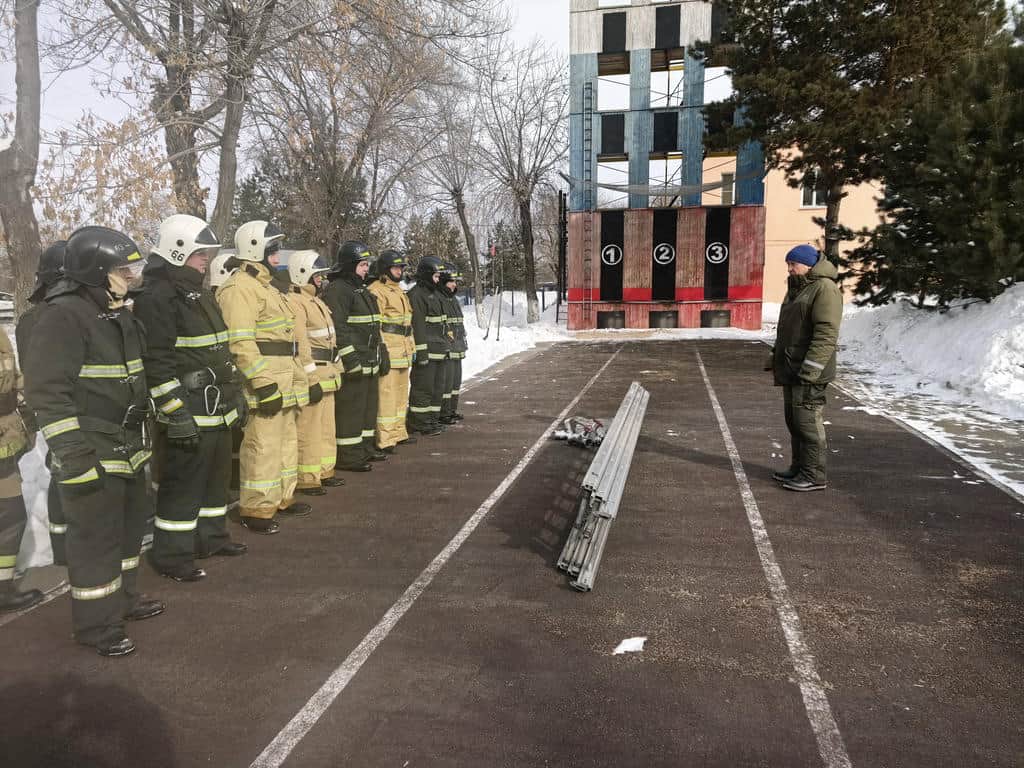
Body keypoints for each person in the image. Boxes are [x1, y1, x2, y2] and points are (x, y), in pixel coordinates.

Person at [25, 225, 164, 656]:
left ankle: (123, 601)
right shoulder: (62, 316)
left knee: (126, 534)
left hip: (127, 445)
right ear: (96, 271)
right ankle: (96, 626)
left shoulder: (116, 311)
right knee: (95, 542)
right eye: (123, 270)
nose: (132, 276)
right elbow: (48, 393)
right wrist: (75, 456)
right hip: (92, 448)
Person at [133, 215, 249, 583]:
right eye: (200, 253)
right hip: (188, 407)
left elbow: (219, 350)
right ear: (177, 250)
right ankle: (171, 554)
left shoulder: (198, 293)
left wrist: (235, 396)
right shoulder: (158, 297)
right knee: (183, 485)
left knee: (216, 479)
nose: (206, 260)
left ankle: (211, 538)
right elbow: (157, 362)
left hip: (217, 405)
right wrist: (175, 412)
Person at [216, 221, 309, 534]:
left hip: (284, 376)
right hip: (265, 379)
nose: (277, 255)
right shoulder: (239, 288)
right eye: (271, 249)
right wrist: (262, 382)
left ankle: (282, 497)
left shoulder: (268, 287)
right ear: (254, 248)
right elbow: (240, 342)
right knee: (262, 445)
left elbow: (286, 338)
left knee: (284, 442)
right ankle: (256, 507)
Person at [770, 244, 843, 492]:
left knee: (808, 423)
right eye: (788, 265)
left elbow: (826, 333)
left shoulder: (824, 289)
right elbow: (787, 330)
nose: (790, 269)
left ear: (809, 265)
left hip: (809, 372)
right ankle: (799, 468)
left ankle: (814, 475)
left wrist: (811, 369)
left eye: (794, 264)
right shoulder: (798, 288)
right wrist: (776, 355)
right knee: (794, 421)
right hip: (792, 368)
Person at [15, 241, 68, 566]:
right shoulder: (45, 319)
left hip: (53, 405)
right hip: (63, 407)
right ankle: (65, 545)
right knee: (66, 469)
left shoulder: (32, 318)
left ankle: (62, 544)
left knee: (63, 468)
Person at [284, 250, 346, 495]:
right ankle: (308, 477)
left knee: (326, 428)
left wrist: (338, 369)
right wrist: (310, 379)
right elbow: (302, 345)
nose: (321, 280)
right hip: (314, 375)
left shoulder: (316, 301)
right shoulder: (296, 303)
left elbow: (330, 341)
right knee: (309, 429)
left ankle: (324, 470)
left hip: (328, 374)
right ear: (303, 274)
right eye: (316, 275)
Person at [323, 241, 385, 472]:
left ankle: (365, 448)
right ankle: (349, 455)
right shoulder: (338, 290)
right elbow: (338, 328)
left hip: (369, 359)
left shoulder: (360, 289)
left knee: (367, 409)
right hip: (355, 361)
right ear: (350, 265)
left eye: (367, 264)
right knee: (351, 411)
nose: (366, 269)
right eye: (362, 264)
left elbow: (372, 325)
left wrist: (382, 352)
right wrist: (350, 360)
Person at [0, 315, 42, 612]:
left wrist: (36, 387)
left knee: (12, 515)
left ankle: (2, 589)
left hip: (5, 441)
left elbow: (10, 377)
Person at [368, 250, 417, 454]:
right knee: (386, 396)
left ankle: (398, 432)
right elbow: (376, 324)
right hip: (389, 350)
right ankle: (385, 438)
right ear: (385, 270)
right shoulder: (376, 291)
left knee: (400, 395)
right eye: (396, 268)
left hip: (403, 351)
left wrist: (412, 347)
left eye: (401, 268)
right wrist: (381, 350)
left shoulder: (399, 291)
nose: (399, 271)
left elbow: (407, 324)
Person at [406, 256, 449, 436]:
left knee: (436, 388)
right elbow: (418, 326)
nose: (438, 280)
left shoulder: (435, 295)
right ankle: (419, 422)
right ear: (426, 275)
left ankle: (431, 418)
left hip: (439, 351)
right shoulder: (416, 295)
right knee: (423, 388)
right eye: (436, 276)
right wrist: (421, 353)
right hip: (427, 353)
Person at [438, 263, 467, 424]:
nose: (454, 284)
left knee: (456, 382)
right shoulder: (440, 299)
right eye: (451, 281)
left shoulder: (453, 299)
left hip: (458, 346)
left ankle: (452, 410)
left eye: (455, 281)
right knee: (446, 383)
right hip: (448, 348)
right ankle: (444, 412)